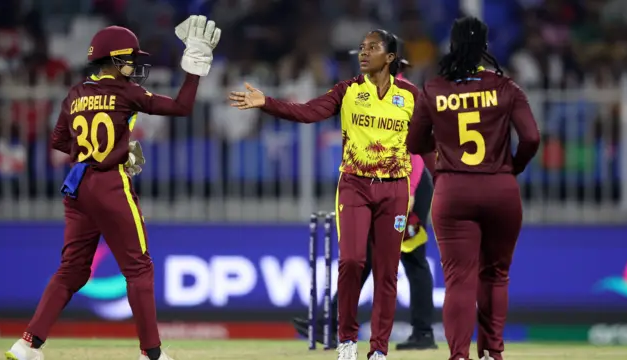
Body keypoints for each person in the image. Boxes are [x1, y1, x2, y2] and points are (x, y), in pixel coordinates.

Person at [5, 16, 221, 360]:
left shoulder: (75, 94)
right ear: (117, 59)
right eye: (131, 59)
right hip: (110, 185)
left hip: (78, 187)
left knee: (71, 270)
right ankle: (151, 354)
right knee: (139, 268)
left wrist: (108, 148)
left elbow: (60, 141)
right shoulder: (126, 91)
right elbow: (182, 107)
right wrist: (194, 69)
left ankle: (27, 344)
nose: (135, 66)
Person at [229, 29, 418, 360]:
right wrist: (267, 103)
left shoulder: (411, 95)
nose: (363, 53)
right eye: (361, 48)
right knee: (352, 261)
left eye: (372, 48)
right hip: (355, 185)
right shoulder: (347, 91)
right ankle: (347, 340)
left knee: (388, 271)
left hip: (395, 189)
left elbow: (429, 141)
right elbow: (308, 112)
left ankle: (379, 351)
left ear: (389, 58)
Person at [406, 17, 540, 360]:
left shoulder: (434, 88)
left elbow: (415, 141)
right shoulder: (506, 87)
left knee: (459, 280)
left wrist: (440, 169)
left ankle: (459, 357)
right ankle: (492, 354)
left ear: (451, 45)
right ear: (485, 47)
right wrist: (513, 168)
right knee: (495, 275)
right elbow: (531, 137)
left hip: (453, 191)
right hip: (500, 189)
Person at [292, 154, 438, 351]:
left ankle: (423, 333)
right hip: (387, 183)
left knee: (413, 258)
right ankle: (329, 323)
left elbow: (414, 153)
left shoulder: (400, 121)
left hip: (411, 184)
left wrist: (410, 191)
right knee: (364, 258)